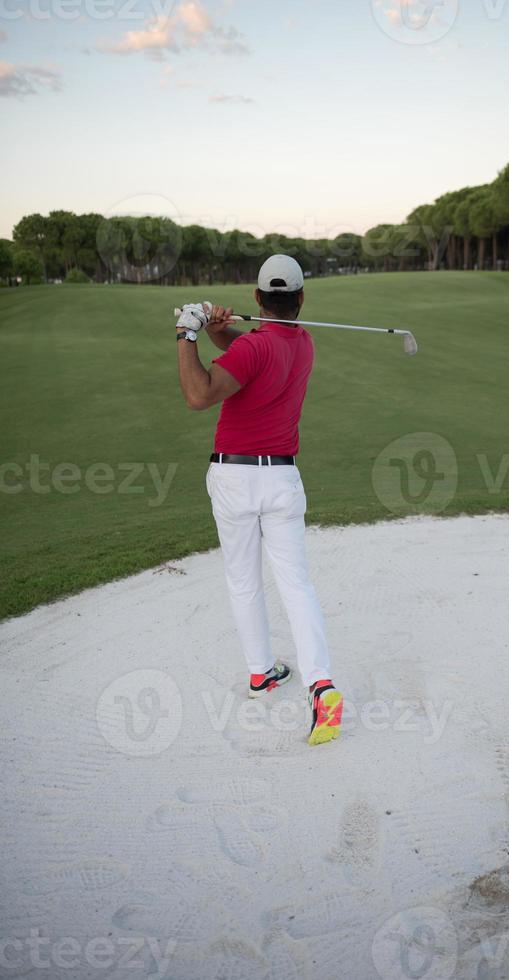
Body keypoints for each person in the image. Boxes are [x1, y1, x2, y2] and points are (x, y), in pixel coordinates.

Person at [175, 254, 343, 746]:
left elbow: (200, 394)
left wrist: (188, 333)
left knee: (243, 578)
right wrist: (216, 330)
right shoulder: (303, 342)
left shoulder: (254, 350)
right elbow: (248, 353)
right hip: (282, 480)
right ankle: (321, 684)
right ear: (301, 299)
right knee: (296, 583)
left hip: (234, 478)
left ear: (257, 298)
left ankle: (261, 672)